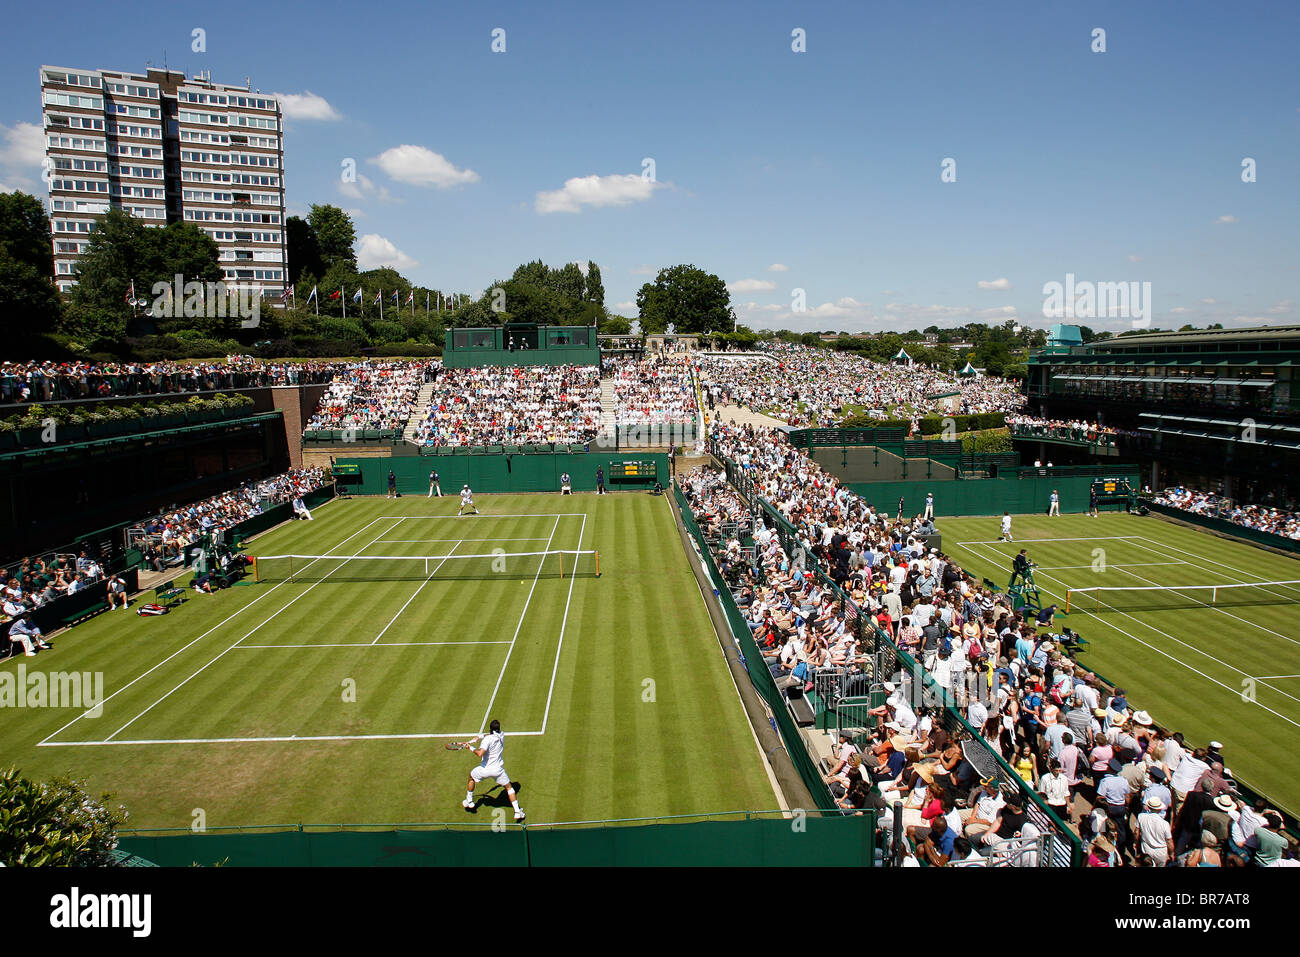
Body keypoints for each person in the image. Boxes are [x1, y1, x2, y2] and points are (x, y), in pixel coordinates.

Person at [462, 719, 525, 821]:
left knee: (471, 777)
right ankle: (517, 812)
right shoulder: (502, 734)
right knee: (509, 788)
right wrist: (479, 737)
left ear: (490, 729)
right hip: (498, 770)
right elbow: (490, 734)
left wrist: (470, 747)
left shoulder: (487, 740)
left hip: (485, 769)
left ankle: (470, 801)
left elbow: (480, 754)